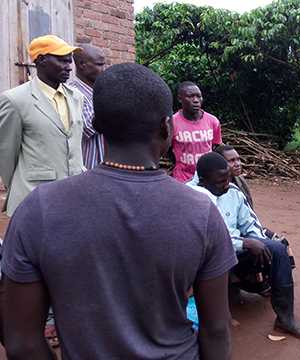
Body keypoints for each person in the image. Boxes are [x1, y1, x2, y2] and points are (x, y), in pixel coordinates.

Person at [1, 63, 236, 359]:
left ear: (97, 124)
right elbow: (216, 329)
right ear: (167, 127)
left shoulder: (38, 209)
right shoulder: (201, 212)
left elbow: (21, 342)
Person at [187, 152, 300, 341]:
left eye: (228, 179)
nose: (226, 185)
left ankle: (285, 318)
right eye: (220, 182)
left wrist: (260, 244)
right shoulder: (191, 197)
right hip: (205, 259)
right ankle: (218, 318)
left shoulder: (232, 192)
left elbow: (250, 224)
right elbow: (208, 240)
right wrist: (244, 243)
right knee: (218, 256)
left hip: (234, 250)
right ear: (203, 181)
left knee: (277, 249)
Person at [0, 34, 84, 216]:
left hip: (76, 196)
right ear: (41, 60)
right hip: (35, 198)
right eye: (62, 61)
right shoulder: (15, 100)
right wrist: (20, 185)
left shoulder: (77, 97)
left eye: (70, 61)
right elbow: (6, 155)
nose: (69, 67)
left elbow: (75, 146)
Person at [171, 81, 223, 183]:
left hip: (208, 178)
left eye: (199, 96)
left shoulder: (213, 121)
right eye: (190, 96)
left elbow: (216, 146)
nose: (196, 100)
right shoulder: (172, 122)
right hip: (183, 179)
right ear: (180, 99)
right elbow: (167, 148)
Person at [68, 43, 107, 169]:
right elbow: (91, 127)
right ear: (82, 65)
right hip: (87, 168)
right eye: (99, 64)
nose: (104, 69)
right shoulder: (72, 92)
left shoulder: (100, 91)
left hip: (107, 169)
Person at [216, 144, 255, 209]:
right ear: (220, 163)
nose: (238, 164)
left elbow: (249, 207)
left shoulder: (240, 180)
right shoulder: (212, 186)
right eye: (232, 160)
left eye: (238, 159)